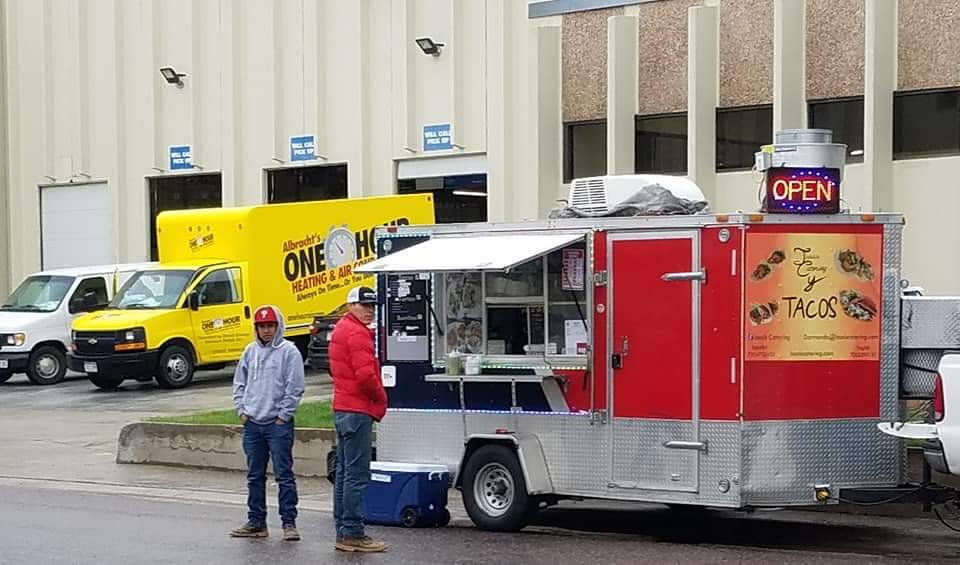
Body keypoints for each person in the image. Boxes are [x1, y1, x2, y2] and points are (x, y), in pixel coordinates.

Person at [230, 305, 306, 541]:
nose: (266, 330)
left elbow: (295, 387)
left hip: (277, 424)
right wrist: (242, 411)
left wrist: (284, 416)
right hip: (253, 423)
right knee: (254, 475)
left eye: (270, 326)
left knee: (284, 475)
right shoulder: (249, 351)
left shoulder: (289, 352)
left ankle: (289, 523)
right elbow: (239, 383)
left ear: (278, 326)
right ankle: (256, 522)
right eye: (262, 326)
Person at [328, 285, 389, 553]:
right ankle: (352, 532)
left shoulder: (341, 329)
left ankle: (343, 529)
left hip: (342, 408)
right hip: (357, 410)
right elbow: (366, 376)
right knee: (357, 474)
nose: (369, 311)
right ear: (351, 305)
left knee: (344, 473)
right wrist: (381, 398)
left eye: (372, 306)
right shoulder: (357, 333)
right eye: (364, 305)